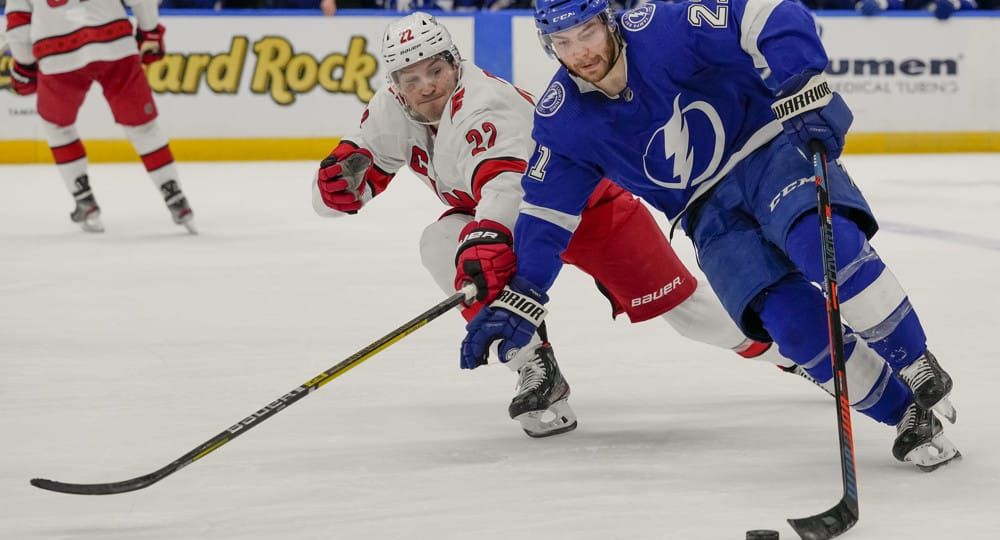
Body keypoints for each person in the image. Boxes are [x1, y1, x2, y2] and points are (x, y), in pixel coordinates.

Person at [460, 0, 960, 470]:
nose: (580, 52)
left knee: (819, 242)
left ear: (608, 20)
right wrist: (523, 293)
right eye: (562, 42)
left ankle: (913, 359)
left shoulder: (662, 29)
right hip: (705, 215)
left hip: (767, 150)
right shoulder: (561, 118)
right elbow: (547, 216)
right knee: (788, 324)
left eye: (587, 32)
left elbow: (768, 12)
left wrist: (801, 83)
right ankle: (905, 415)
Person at [312, 12, 814, 438]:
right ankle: (534, 366)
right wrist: (335, 188)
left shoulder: (487, 105)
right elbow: (341, 191)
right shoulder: (391, 109)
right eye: (411, 78)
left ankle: (800, 354)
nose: (426, 86)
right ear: (394, 85)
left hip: (584, 208)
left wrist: (487, 238)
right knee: (440, 241)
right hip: (498, 216)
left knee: (688, 312)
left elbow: (508, 188)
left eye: (435, 69)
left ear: (454, 63)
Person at [5, 0, 195, 233]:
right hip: (115, 44)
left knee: (57, 126)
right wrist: (150, 31)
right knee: (143, 127)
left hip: (57, 55)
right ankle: (173, 193)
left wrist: (24, 66)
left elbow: (18, 26)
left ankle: (83, 198)